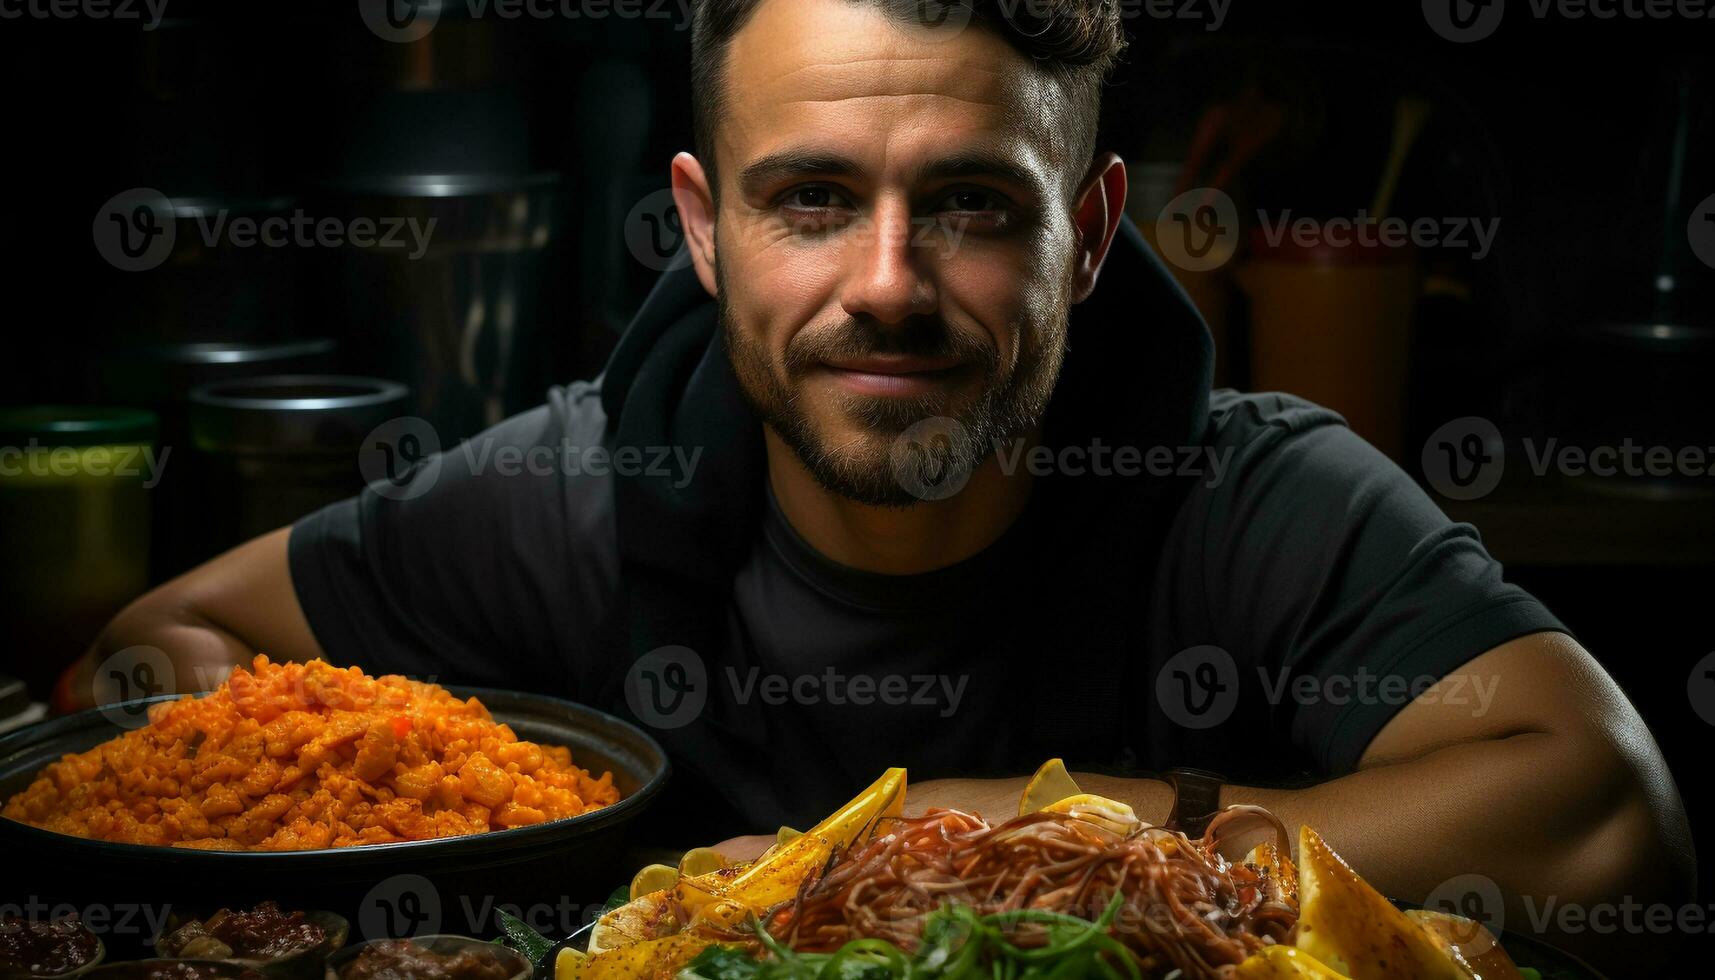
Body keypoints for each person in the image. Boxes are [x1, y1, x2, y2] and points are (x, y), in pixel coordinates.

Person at [63, 0, 1690, 966]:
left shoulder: (1248, 492)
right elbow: (156, 657)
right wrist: (394, 816)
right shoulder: (575, 488)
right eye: (815, 200)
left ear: (1095, 230)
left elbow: (1616, 818)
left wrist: (1054, 830)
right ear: (704, 229)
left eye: (975, 206)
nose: (890, 285)